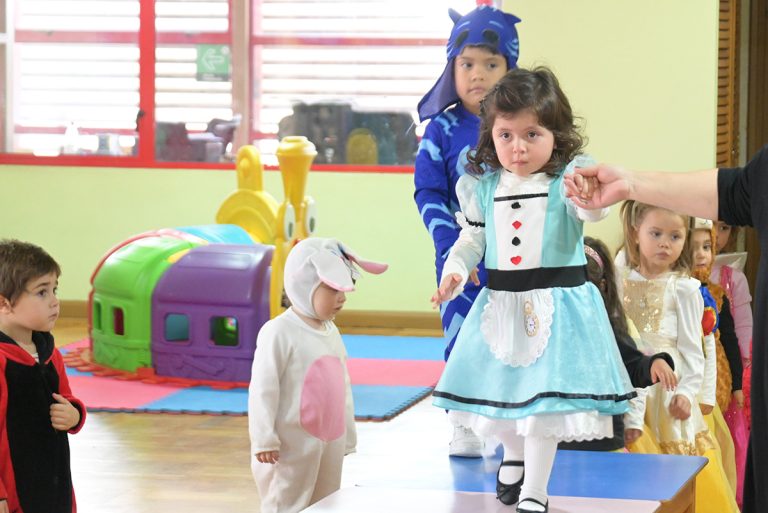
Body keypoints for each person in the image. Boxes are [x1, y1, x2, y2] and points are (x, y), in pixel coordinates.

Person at [430, 67, 636, 513]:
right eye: (505, 135)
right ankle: (514, 454)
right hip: (502, 305)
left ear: (555, 135)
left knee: (544, 408)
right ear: (491, 136)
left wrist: (588, 199)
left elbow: (591, 214)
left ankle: (535, 490)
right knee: (501, 393)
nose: (518, 147)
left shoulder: (566, 181)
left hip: (557, 307)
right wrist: (456, 269)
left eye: (531, 134)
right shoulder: (484, 186)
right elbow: (472, 238)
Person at [564, 145, 768, 513]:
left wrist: (688, 394)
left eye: (675, 237)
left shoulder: (685, 289)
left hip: (668, 394)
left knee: (674, 482)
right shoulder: (619, 275)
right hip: (632, 388)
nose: (665, 244)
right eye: (656, 233)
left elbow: (695, 349)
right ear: (635, 231)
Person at [414, 3, 521, 457]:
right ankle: (463, 422)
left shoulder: (519, 127)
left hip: (515, 257)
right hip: (460, 255)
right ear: (452, 68)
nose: (478, 74)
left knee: (513, 338)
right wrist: (448, 247)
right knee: (462, 336)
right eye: (467, 64)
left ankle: (508, 418)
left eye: (491, 64)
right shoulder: (440, 130)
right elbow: (427, 191)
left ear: (510, 69)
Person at [248, 237, 387, 513]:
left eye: (345, 288)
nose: (342, 297)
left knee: (326, 501)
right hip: (290, 446)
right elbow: (263, 389)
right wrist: (264, 438)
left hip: (328, 441)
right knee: (287, 502)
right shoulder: (279, 332)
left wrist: (346, 434)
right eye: (333, 289)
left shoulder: (330, 330)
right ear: (304, 286)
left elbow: (341, 385)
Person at [0, 239, 86, 513]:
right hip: (15, 491)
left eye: (54, 289)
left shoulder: (50, 354)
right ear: (4, 304)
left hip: (55, 481)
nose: (54, 301)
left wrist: (74, 415)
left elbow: (67, 399)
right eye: (41, 292)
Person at [691, 218, 747, 506]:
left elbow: (731, 340)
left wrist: (737, 383)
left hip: (715, 381)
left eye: (707, 247)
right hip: (686, 381)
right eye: (694, 247)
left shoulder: (717, 294)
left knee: (716, 441)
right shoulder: (675, 288)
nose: (701, 254)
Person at [712, 221, 753, 426]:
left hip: (726, 371)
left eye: (724, 228)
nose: (716, 234)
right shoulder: (679, 273)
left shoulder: (734, 278)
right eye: (710, 224)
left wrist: (742, 374)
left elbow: (744, 327)